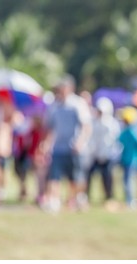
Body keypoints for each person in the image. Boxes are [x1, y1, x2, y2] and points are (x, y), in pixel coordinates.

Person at [42, 75, 92, 212]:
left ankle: (77, 199)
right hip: (58, 147)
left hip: (74, 148)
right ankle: (54, 201)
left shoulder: (77, 104)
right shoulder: (54, 106)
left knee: (76, 178)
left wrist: (80, 142)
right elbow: (50, 127)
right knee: (54, 176)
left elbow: (86, 126)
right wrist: (46, 144)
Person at [86, 97, 120, 206]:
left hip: (107, 155)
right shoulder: (94, 122)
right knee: (89, 175)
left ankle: (109, 197)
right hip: (95, 154)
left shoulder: (111, 124)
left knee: (107, 177)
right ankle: (86, 195)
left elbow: (113, 140)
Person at [118, 106, 137, 208]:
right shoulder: (133, 130)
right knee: (128, 180)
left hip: (132, 159)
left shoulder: (131, 131)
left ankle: (131, 200)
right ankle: (129, 200)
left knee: (129, 181)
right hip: (129, 159)